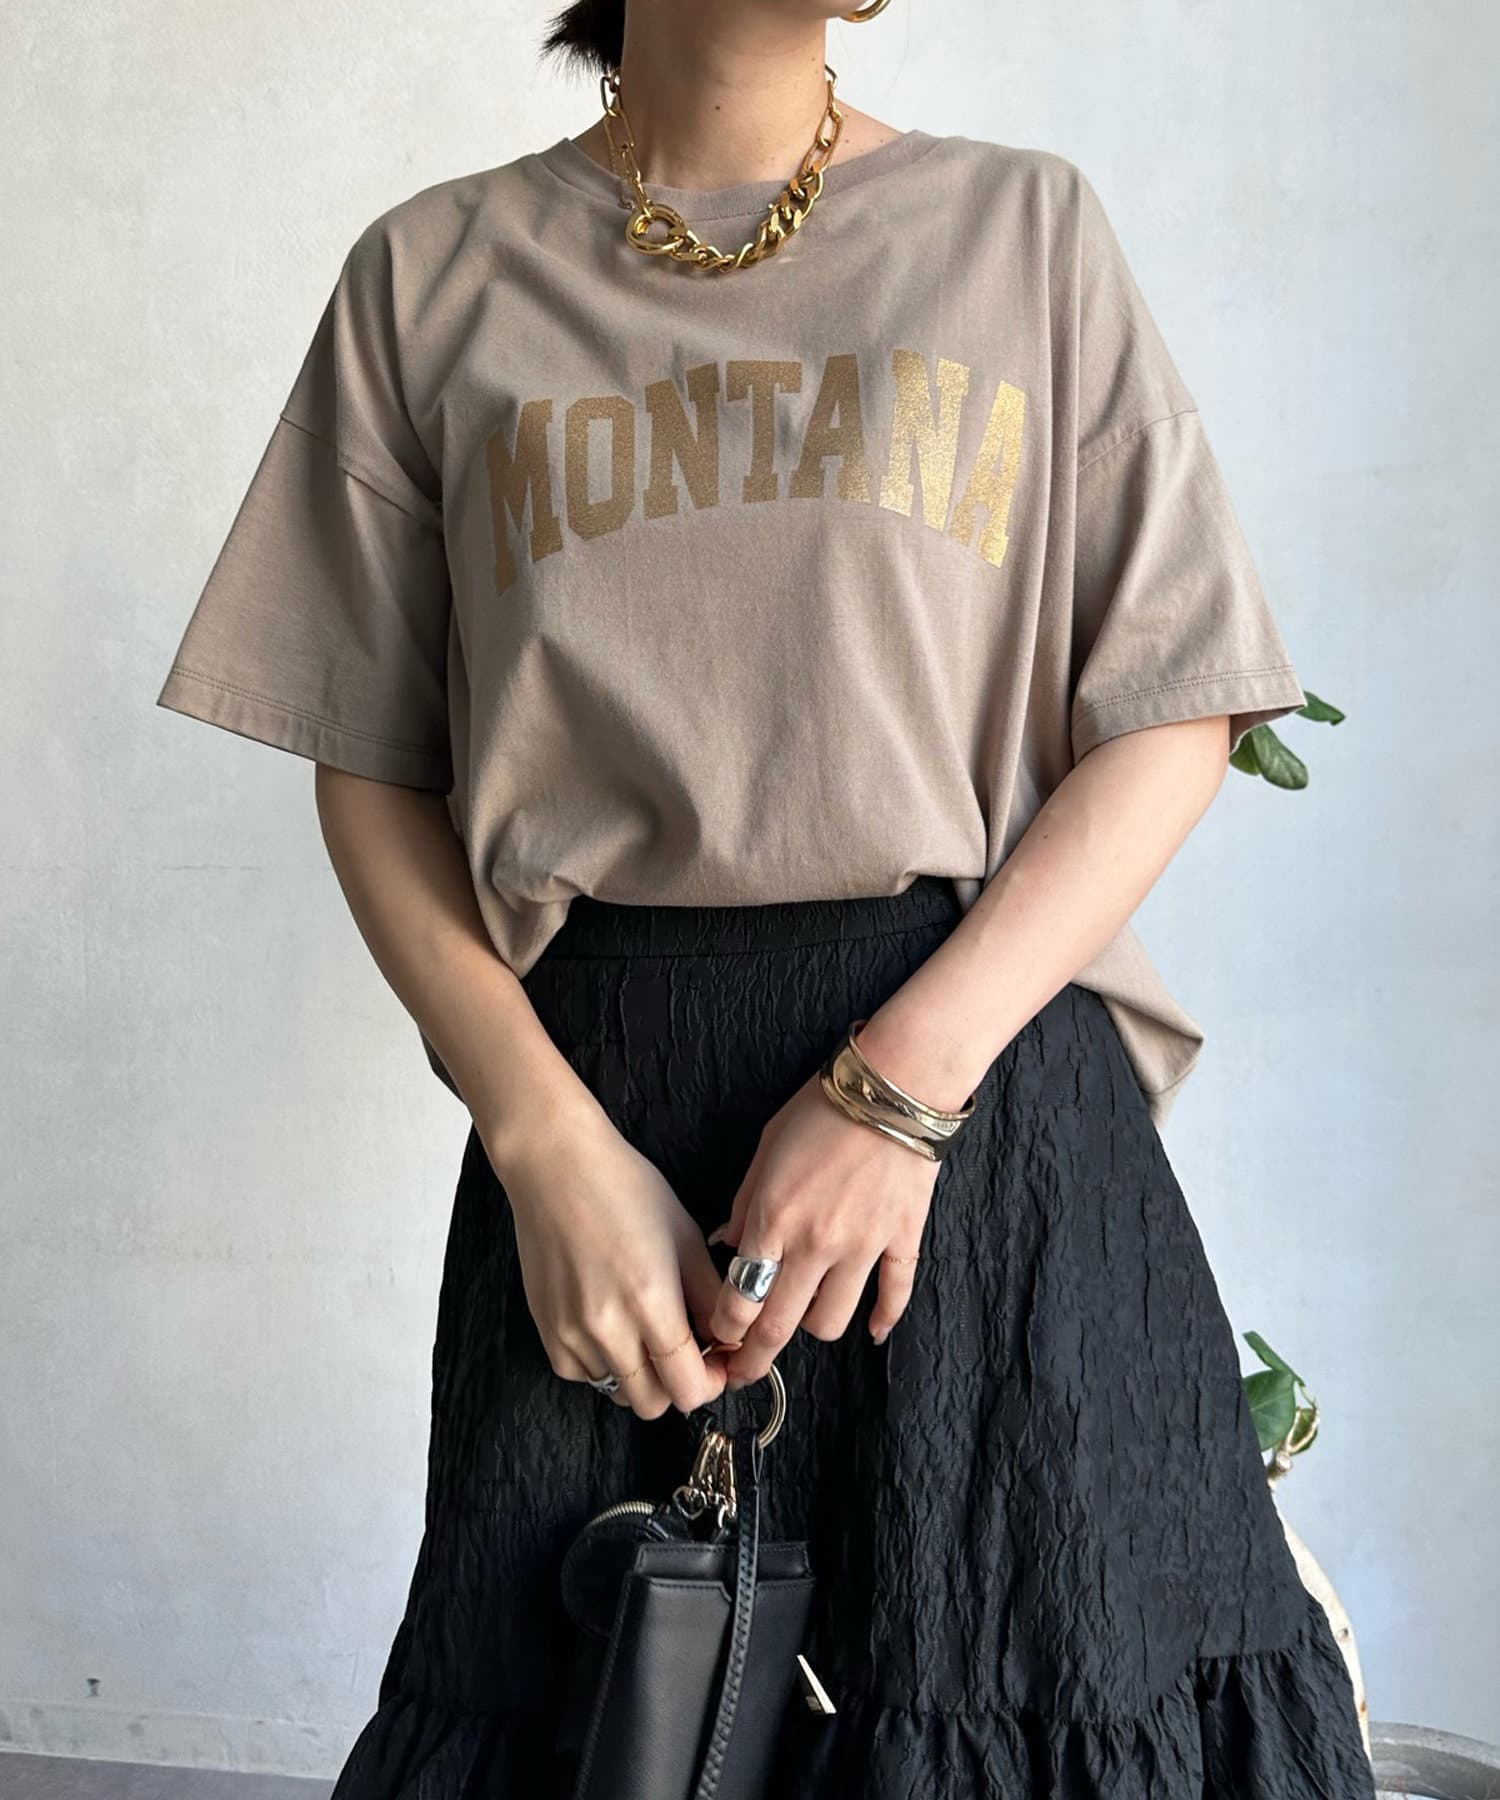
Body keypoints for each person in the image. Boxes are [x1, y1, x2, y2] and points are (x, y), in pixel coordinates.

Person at [154, 1, 1376, 1794]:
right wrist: (541, 1143)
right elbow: (373, 765)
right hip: (603, 1138)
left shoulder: (1022, 233)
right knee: (609, 1728)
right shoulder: (433, 274)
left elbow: (1173, 710)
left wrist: (896, 1095)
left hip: (982, 1129)